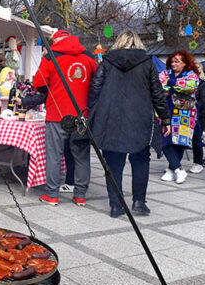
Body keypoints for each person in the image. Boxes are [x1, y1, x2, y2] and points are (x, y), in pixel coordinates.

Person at [88, 31, 170, 218]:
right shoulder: (147, 63)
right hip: (140, 117)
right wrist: (165, 119)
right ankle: (139, 201)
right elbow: (157, 92)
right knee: (141, 160)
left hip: (112, 118)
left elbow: (95, 87)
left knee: (114, 163)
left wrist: (93, 111)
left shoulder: (107, 61)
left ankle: (116, 205)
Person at [26, 29, 96, 206]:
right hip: (82, 115)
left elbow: (39, 84)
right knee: (81, 156)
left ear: (55, 41)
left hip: (57, 114)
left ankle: (52, 194)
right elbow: (97, 83)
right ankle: (80, 195)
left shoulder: (50, 57)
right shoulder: (88, 56)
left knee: (54, 155)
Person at [159, 50, 200, 184]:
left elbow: (189, 87)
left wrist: (170, 86)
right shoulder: (164, 73)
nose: (173, 63)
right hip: (166, 111)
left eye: (177, 61)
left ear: (185, 63)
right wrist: (174, 86)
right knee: (164, 140)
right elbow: (160, 87)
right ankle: (178, 169)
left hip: (185, 113)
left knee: (179, 142)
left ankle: (171, 170)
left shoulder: (191, 75)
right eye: (172, 60)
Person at [189, 64, 205, 174]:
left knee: (196, 139)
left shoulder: (203, 85)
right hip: (185, 115)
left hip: (198, 116)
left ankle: (198, 162)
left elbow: (203, 102)